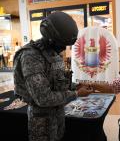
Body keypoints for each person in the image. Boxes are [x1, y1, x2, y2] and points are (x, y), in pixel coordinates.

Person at [13, 11, 93, 141]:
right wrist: (76, 93)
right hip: (41, 122)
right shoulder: (30, 56)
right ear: (50, 38)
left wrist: (75, 86)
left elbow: (57, 82)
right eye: (61, 45)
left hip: (58, 116)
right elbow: (43, 98)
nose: (63, 49)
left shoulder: (52, 52)